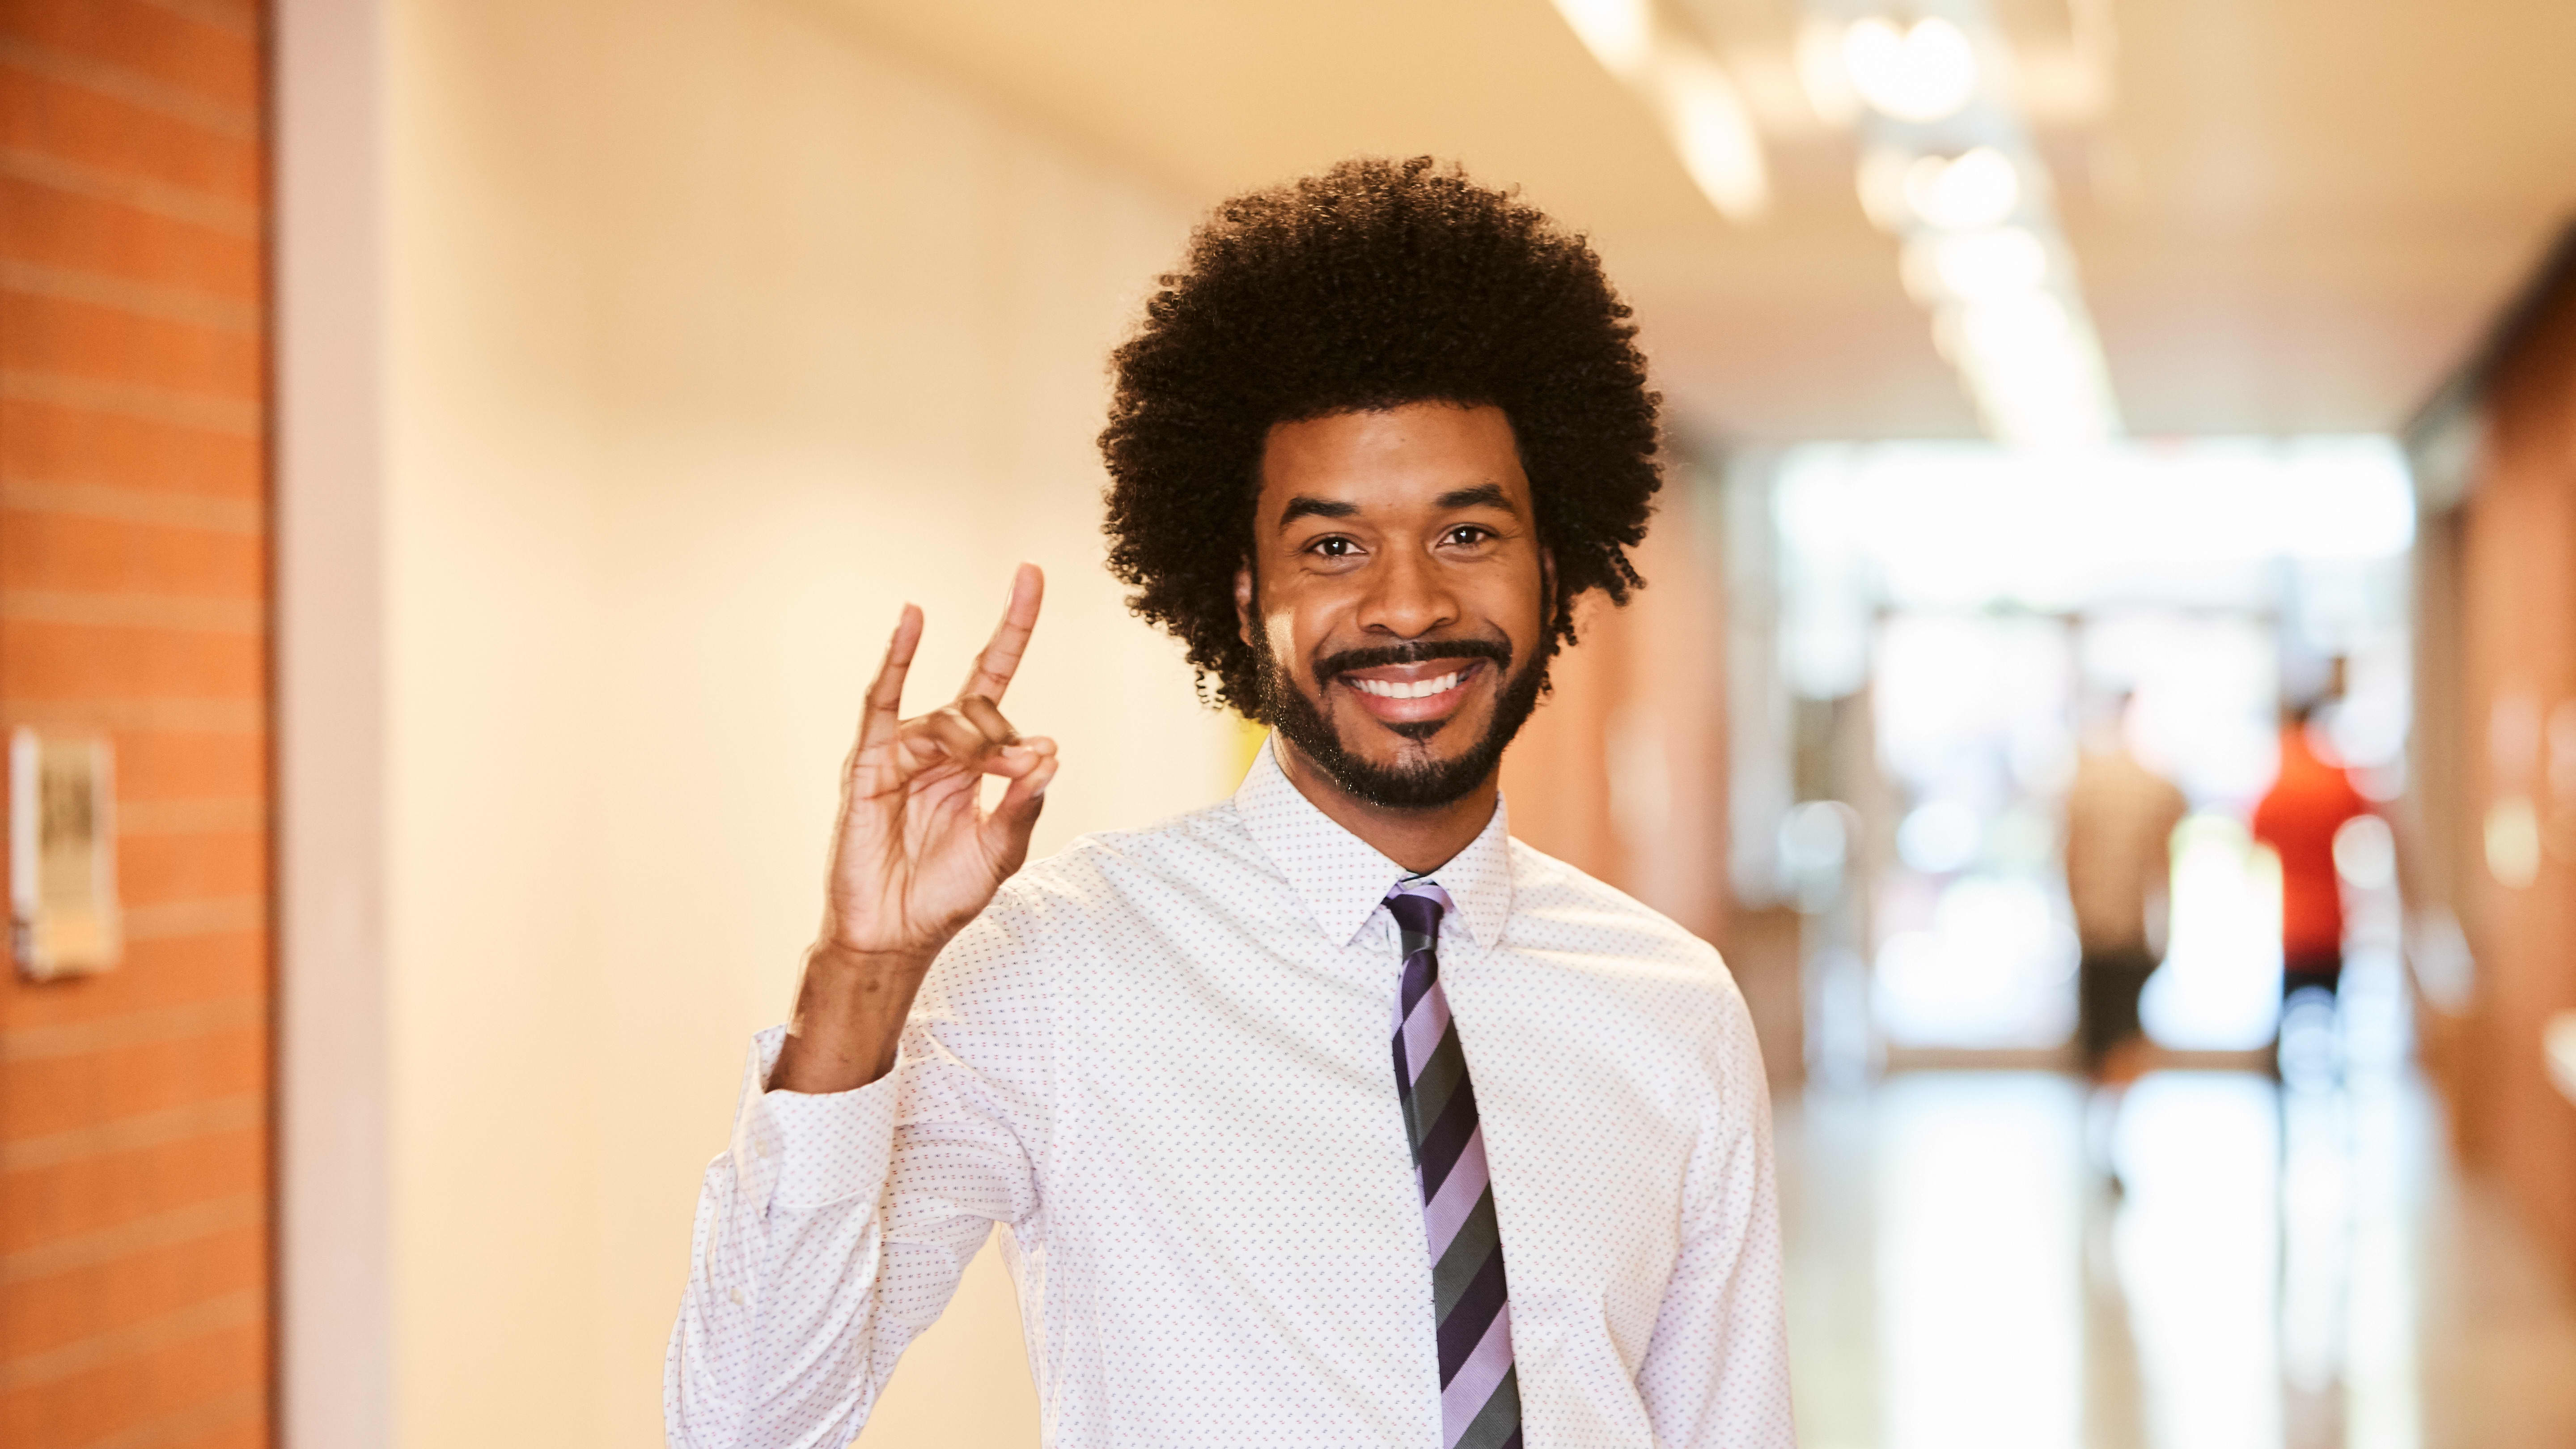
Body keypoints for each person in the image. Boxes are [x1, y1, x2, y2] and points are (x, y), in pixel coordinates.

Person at [665, 159, 1793, 1449]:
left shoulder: (1672, 1004)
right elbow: (742, 1420)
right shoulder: (1062, 965)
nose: (1410, 601)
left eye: (1468, 533)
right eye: (1333, 545)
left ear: (1552, 564)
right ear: (1246, 598)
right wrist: (861, 970)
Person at [2061, 693, 2189, 1093]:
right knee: (2124, 1031)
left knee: (2104, 1031)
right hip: (2130, 925)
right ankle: (2111, 1111)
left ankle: (2104, 1112)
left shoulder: (2086, 784)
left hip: (2099, 924)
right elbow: (2163, 864)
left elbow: (2069, 856)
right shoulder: (2153, 786)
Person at [2250, 698, 2371, 1003]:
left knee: (2287, 1008)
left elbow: (2257, 835)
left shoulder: (2280, 783)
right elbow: (2363, 812)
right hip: (2330, 915)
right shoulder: (2333, 777)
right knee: (2332, 1008)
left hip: (2293, 919)